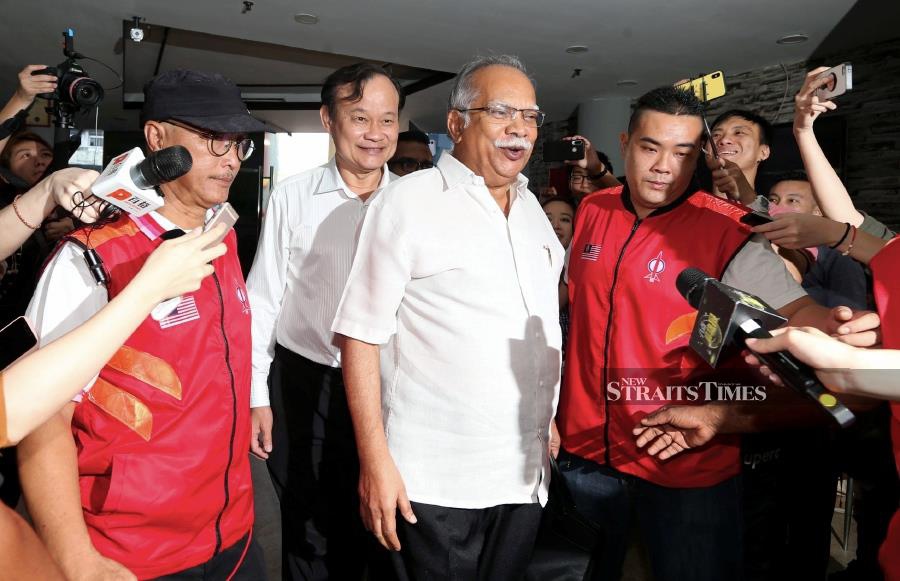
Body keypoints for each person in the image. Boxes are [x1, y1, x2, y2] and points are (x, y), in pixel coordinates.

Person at [557, 85, 877, 581]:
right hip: (584, 457)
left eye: (684, 152)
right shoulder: (594, 209)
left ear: (700, 155)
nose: (665, 166)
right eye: (650, 147)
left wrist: (836, 330)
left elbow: (796, 311)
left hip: (684, 455)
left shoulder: (728, 229)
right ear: (624, 144)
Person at [18, 69, 267, 580]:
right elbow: (41, 420)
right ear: (157, 139)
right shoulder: (92, 257)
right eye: (210, 138)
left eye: (237, 142)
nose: (230, 158)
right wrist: (75, 559)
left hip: (234, 531)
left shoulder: (224, 235)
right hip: (131, 553)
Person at [332, 54, 563, 581]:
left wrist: (545, 414)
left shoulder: (534, 211)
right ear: (457, 123)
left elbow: (536, 325)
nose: (520, 129)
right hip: (435, 482)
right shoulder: (405, 204)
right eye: (502, 112)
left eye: (530, 116)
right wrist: (374, 462)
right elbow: (359, 338)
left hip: (524, 476)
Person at [246, 62, 403, 580]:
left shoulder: (414, 205)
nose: (375, 134)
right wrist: (257, 395)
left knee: (384, 520)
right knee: (309, 520)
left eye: (387, 119)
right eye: (360, 118)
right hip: (307, 383)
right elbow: (264, 296)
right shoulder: (293, 195)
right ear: (328, 120)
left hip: (391, 390)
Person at [708, 109, 772, 207]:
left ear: (763, 152)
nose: (724, 140)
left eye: (738, 133)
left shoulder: (779, 216)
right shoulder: (687, 209)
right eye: (716, 135)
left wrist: (746, 196)